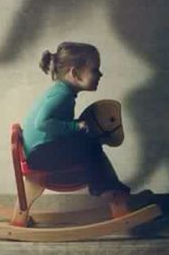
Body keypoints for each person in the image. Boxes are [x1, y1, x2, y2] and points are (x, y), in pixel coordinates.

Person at [21, 41, 132, 218]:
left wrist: (75, 128)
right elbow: (42, 123)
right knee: (91, 147)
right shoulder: (62, 94)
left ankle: (108, 186)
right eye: (95, 70)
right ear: (74, 73)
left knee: (90, 142)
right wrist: (75, 126)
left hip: (40, 151)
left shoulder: (62, 91)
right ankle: (109, 190)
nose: (100, 74)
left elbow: (52, 123)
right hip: (41, 155)